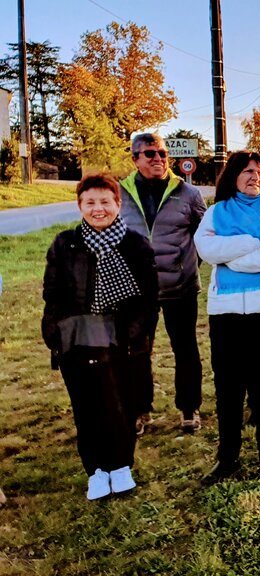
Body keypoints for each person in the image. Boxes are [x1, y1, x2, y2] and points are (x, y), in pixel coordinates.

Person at [42, 174, 159, 500]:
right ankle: (95, 470)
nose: (98, 209)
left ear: (117, 204)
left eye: (105, 202)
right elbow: (53, 292)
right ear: (80, 205)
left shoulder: (135, 244)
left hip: (123, 338)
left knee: (121, 404)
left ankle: (121, 466)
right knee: (87, 405)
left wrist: (136, 334)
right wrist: (55, 331)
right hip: (78, 336)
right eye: (90, 202)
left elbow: (149, 298)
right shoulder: (65, 244)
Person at [194, 152, 260, 484]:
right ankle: (228, 460)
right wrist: (251, 243)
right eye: (247, 171)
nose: (254, 176)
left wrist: (232, 259)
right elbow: (206, 250)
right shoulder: (215, 213)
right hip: (225, 310)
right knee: (227, 389)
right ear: (233, 176)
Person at [119, 133, 207, 435]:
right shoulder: (120, 193)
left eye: (162, 154)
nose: (158, 159)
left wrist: (188, 266)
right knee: (136, 351)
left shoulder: (188, 193)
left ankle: (189, 409)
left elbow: (204, 236)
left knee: (185, 349)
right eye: (150, 154)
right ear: (135, 159)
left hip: (180, 287)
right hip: (137, 291)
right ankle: (139, 411)